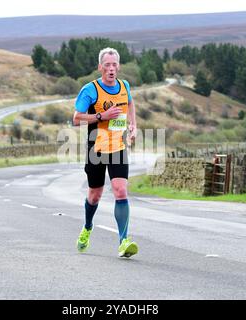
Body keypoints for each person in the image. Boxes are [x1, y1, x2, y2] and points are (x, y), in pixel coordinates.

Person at [73, 47, 138, 258]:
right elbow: (76, 118)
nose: (111, 69)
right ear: (100, 67)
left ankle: (123, 241)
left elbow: (129, 101)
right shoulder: (90, 90)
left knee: (120, 190)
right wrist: (102, 116)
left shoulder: (124, 86)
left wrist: (133, 124)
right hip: (96, 149)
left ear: (119, 66)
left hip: (118, 148)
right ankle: (88, 227)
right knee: (95, 195)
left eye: (114, 65)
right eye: (107, 65)